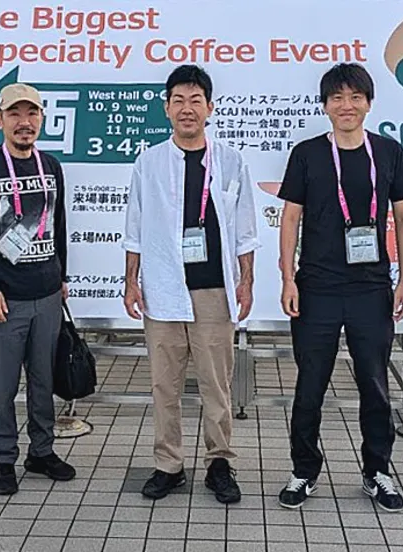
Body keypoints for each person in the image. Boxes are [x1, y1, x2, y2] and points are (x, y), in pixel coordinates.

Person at [275, 63, 403, 512]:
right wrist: (287, 278)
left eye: (355, 97)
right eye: (337, 98)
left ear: (369, 103)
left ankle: (378, 471)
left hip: (371, 289)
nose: (346, 105)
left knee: (374, 384)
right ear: (325, 106)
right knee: (309, 385)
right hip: (315, 288)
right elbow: (290, 219)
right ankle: (303, 471)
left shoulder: (388, 152)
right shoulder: (307, 153)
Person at [123, 64, 260, 504]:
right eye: (178, 101)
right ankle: (169, 465)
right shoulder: (148, 163)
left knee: (216, 385)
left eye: (195, 100)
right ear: (166, 108)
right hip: (162, 291)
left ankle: (219, 462)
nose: (187, 109)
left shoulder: (231, 161)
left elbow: (245, 229)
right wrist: (131, 281)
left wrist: (246, 281)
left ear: (210, 108)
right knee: (164, 386)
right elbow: (134, 228)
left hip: (214, 292)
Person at [0, 83, 75, 496]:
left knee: (43, 382)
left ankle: (41, 451)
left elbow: (58, 225)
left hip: (46, 295)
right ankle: (4, 459)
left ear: (41, 119)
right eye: (15, 114)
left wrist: (62, 277)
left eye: (32, 113)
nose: (24, 122)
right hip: (4, 301)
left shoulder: (51, 166)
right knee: (4, 387)